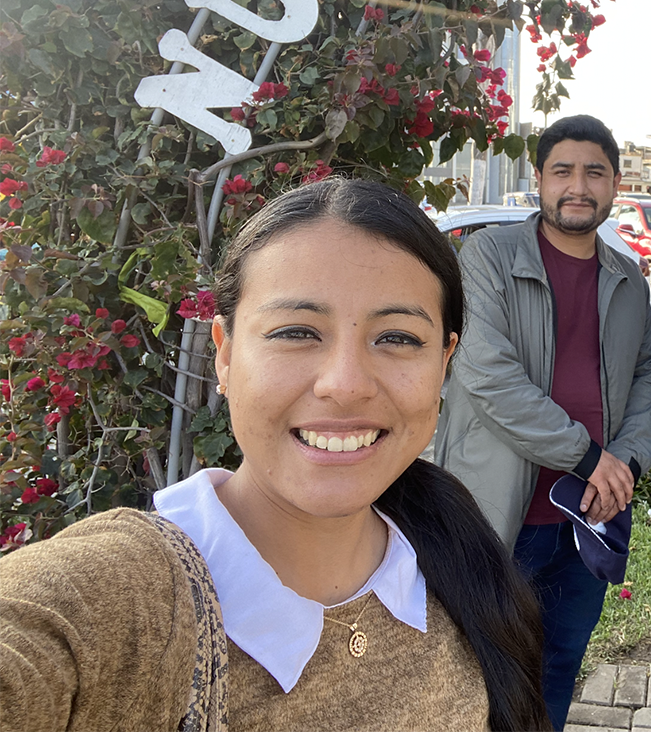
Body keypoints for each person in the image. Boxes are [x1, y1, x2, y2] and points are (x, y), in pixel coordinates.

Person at [0, 178, 549, 732]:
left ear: (444, 362)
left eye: (398, 338)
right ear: (226, 355)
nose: (345, 384)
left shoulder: (453, 555)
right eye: (295, 332)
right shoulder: (124, 597)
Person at [436, 114, 651, 732]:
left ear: (616, 184)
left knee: (559, 664)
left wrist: (627, 463)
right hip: (500, 512)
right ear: (539, 179)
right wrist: (591, 457)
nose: (578, 186)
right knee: (478, 669)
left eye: (595, 172)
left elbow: (648, 377)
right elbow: (488, 377)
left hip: (589, 514)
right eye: (562, 171)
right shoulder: (487, 255)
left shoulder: (626, 277)